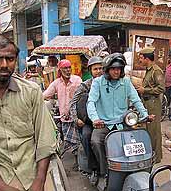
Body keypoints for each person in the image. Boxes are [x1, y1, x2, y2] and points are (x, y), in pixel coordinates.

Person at [0, 35, 57, 191]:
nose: (4, 64)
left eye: (10, 59)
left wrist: (39, 182)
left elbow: (46, 139)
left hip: (32, 174)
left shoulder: (31, 91)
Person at [87, 53, 154, 183]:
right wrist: (95, 119)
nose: (116, 71)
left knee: (136, 143)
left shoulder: (126, 82)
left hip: (123, 124)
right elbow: (91, 102)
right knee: (95, 141)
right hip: (104, 125)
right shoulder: (98, 82)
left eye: (119, 68)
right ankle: (103, 171)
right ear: (107, 69)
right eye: (113, 69)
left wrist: (145, 115)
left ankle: (135, 168)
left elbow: (136, 100)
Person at [69, 56, 104, 184]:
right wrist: (76, 118)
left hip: (106, 120)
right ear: (90, 70)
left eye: (101, 68)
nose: (99, 71)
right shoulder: (85, 85)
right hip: (89, 122)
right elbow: (73, 103)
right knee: (86, 136)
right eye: (96, 69)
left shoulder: (109, 83)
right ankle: (94, 168)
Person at [43, 59, 82, 166]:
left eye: (69, 68)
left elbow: (82, 96)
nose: (68, 70)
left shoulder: (77, 80)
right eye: (65, 68)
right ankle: (74, 160)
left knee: (77, 141)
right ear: (60, 70)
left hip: (76, 116)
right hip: (64, 117)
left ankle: (78, 161)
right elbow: (46, 94)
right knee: (68, 140)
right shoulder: (56, 83)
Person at [137, 47, 165, 163]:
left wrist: (145, 90)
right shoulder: (149, 70)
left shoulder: (156, 71)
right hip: (147, 102)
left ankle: (156, 157)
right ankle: (151, 153)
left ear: (147, 58)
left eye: (141, 58)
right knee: (148, 129)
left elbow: (161, 88)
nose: (140, 60)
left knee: (154, 130)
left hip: (153, 103)